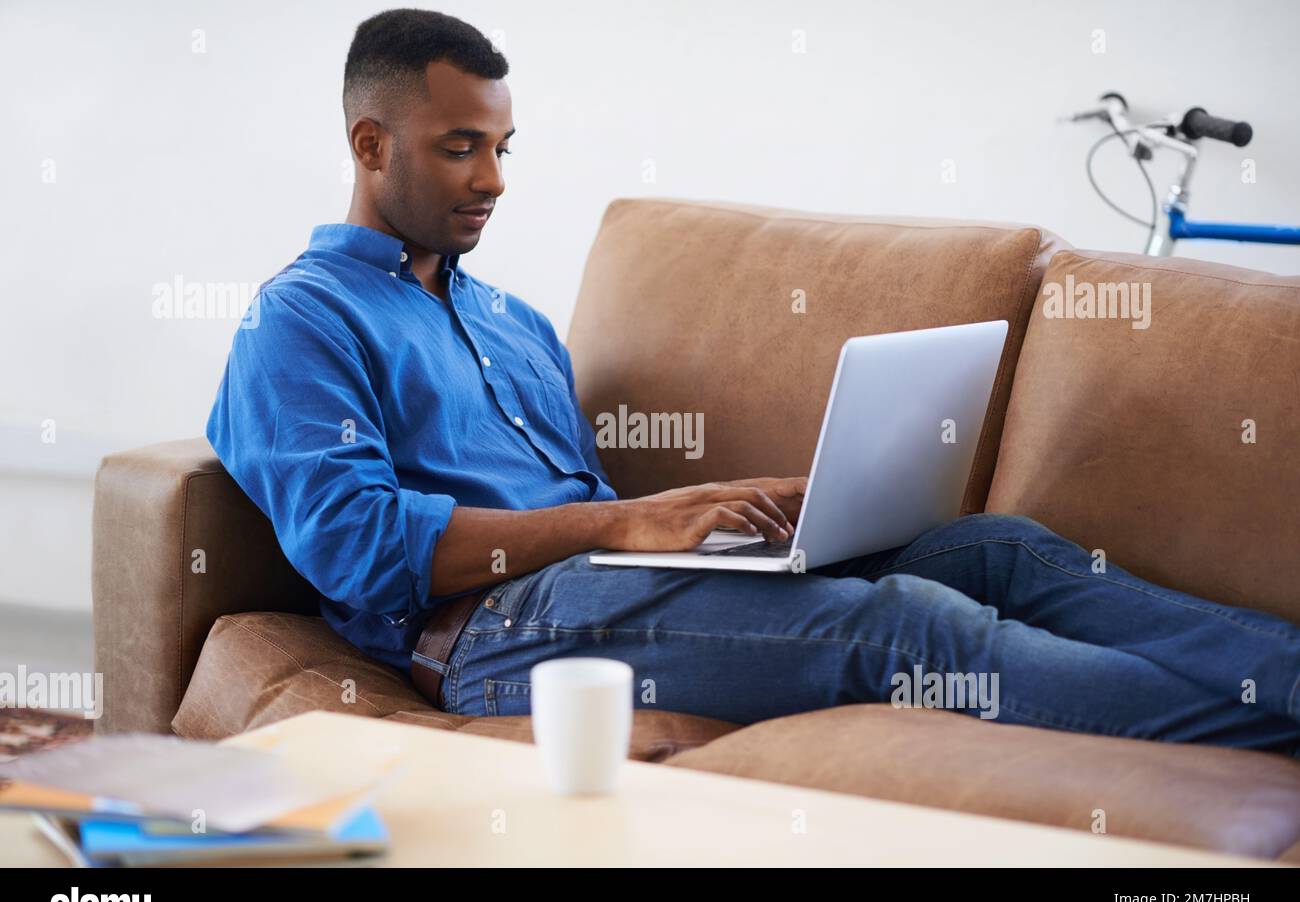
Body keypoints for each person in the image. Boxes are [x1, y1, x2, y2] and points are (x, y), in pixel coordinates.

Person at [206, 9, 1300, 754]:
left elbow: (598, 518)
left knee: (992, 549)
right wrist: (629, 522)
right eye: (459, 148)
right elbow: (352, 543)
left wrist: (755, 523)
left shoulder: (511, 319)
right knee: (908, 627)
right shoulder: (301, 318)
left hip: (596, 587)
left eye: (503, 147)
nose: (494, 180)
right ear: (369, 143)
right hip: (492, 637)